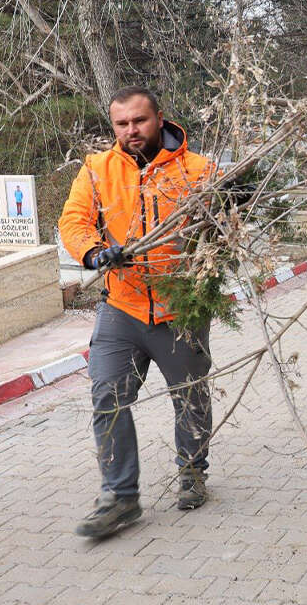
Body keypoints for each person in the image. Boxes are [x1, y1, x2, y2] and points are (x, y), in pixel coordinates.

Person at [59, 86, 215, 538]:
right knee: (107, 396)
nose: (131, 131)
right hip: (121, 307)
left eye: (139, 121)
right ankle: (120, 496)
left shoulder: (198, 171)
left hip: (178, 308)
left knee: (190, 395)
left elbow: (219, 232)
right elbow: (75, 220)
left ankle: (192, 471)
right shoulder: (97, 169)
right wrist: (94, 254)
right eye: (122, 124)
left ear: (159, 118)